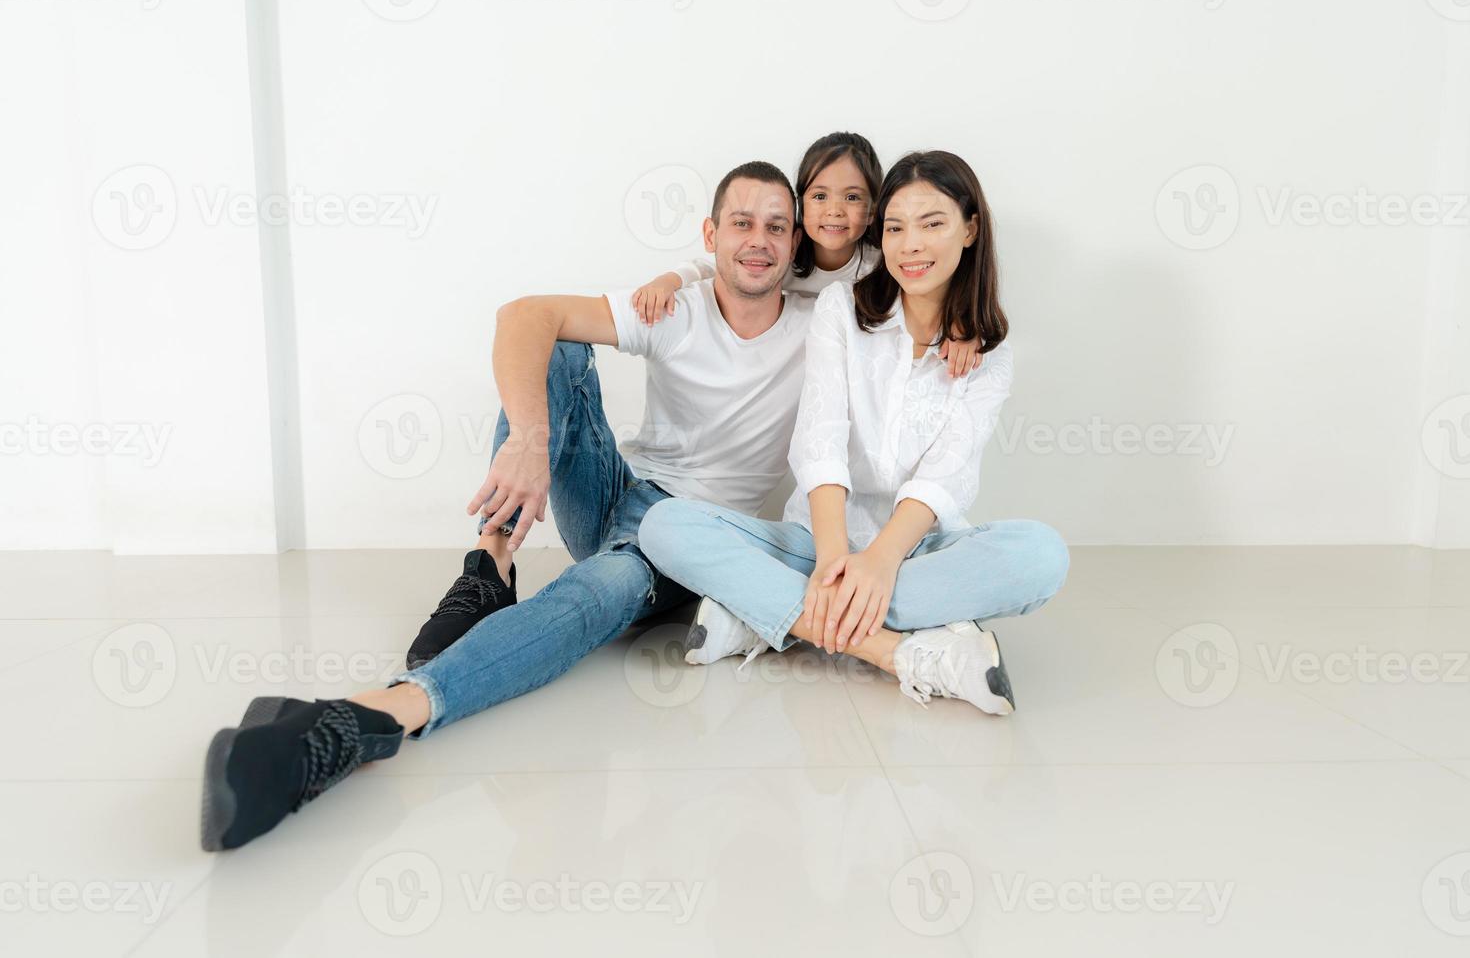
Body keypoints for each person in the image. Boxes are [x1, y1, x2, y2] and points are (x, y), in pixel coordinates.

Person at [199, 160, 819, 851]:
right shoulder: (675, 310)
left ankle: (363, 720)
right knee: (556, 347)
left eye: (775, 226)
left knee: (593, 595)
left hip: (691, 542)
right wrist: (529, 438)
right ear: (711, 233)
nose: (757, 240)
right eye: (741, 222)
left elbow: (897, 296)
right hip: (620, 495)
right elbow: (524, 314)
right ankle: (489, 566)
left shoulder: (821, 331)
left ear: (797, 243)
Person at [638, 150, 1070, 715]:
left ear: (970, 228)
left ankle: (767, 618)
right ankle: (900, 652)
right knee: (666, 524)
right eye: (895, 228)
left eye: (932, 223)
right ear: (879, 236)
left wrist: (882, 560)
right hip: (817, 543)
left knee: (1042, 556)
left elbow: (948, 471)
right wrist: (834, 558)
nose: (911, 245)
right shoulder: (842, 308)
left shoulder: (988, 352)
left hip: (917, 550)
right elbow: (820, 437)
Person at [629, 131, 984, 378]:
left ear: (876, 207)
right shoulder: (782, 257)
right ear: (799, 203)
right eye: (819, 196)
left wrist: (963, 328)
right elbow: (712, 265)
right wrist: (668, 280)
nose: (834, 211)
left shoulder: (881, 262)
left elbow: (933, 292)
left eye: (852, 197)